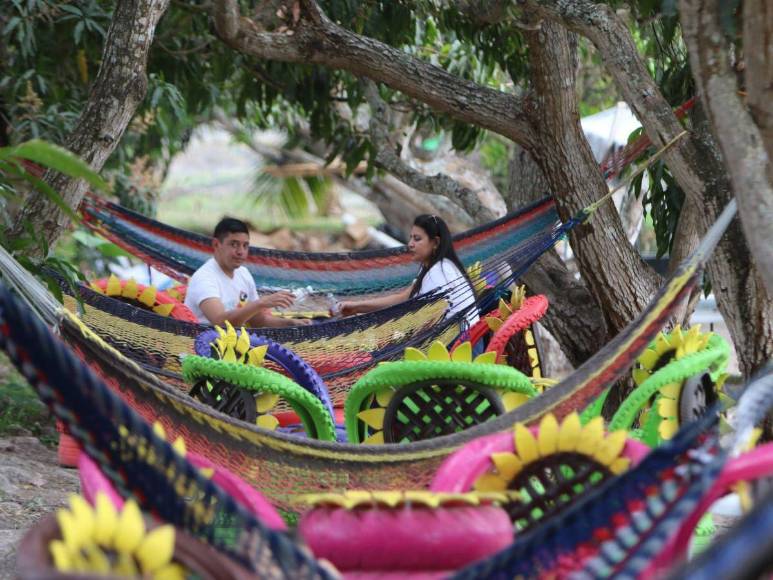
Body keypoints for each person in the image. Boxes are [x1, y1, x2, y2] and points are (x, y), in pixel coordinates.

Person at [337, 214, 480, 329]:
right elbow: (403, 298)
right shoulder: (432, 267)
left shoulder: (439, 272)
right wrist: (356, 307)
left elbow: (426, 320)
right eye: (411, 238)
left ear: (435, 243)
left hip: (461, 349)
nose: (410, 244)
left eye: (417, 239)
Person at [184, 217, 311, 327]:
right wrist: (261, 303)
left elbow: (258, 321)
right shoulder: (204, 278)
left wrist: (292, 323)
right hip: (204, 347)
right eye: (234, 244)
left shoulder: (243, 273)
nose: (241, 252)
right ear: (216, 244)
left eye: (245, 245)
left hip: (233, 344)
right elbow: (220, 322)